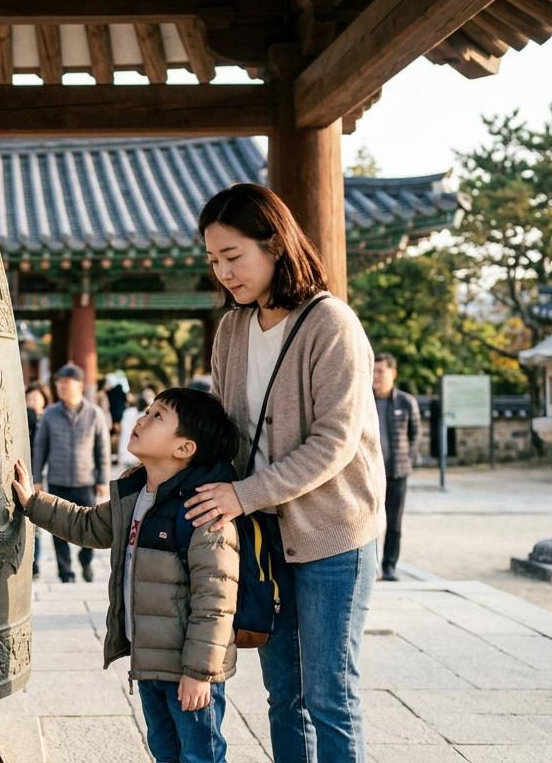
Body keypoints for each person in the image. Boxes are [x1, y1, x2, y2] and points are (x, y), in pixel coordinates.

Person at [184, 183, 385, 762]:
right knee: (282, 695)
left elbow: (335, 442)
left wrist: (244, 494)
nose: (223, 272)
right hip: (264, 537)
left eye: (233, 256)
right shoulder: (231, 330)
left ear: (275, 245)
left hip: (333, 535)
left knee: (330, 695)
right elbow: (226, 428)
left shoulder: (332, 324)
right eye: (212, 260)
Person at [10, 388, 241, 763]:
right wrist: (33, 503)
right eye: (147, 411)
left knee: (201, 756)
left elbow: (215, 602)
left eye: (157, 417)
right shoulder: (135, 497)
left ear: (184, 448)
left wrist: (200, 673)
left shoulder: (203, 512)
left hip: (189, 671)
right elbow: (86, 525)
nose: (141, 419)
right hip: (150, 662)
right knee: (165, 752)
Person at [32, 363, 110, 583]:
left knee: (90, 527)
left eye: (67, 383)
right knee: (58, 530)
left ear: (81, 386)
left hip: (85, 481)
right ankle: (66, 573)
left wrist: (102, 480)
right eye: (59, 383)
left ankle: (86, 560)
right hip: (57, 480)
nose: (61, 386)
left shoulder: (95, 414)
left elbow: (102, 449)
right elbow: (40, 448)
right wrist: (37, 478)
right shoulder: (49, 414)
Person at [373, 353, 419, 581]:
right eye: (373, 371)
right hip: (370, 473)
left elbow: (414, 435)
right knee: (367, 521)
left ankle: (389, 565)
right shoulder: (364, 400)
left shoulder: (406, 402)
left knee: (394, 522)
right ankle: (370, 566)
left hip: (397, 471)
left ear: (393, 373)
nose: (375, 376)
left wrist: (407, 459)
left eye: (380, 371)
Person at [24, 382, 49, 579]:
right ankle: (30, 562)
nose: (32, 402)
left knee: (38, 518)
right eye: (29, 398)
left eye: (36, 398)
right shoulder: (22, 419)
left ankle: (36, 562)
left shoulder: (48, 420)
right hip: (25, 473)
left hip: (43, 476)